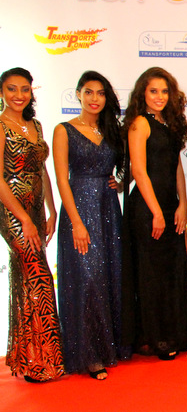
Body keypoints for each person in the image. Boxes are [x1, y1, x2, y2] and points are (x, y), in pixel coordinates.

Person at [53, 71, 128, 380]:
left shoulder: (113, 130)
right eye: (88, 92)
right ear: (78, 94)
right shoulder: (64, 130)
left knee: (109, 277)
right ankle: (90, 355)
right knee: (87, 280)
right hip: (80, 210)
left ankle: (110, 346)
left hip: (108, 210)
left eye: (100, 93)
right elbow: (61, 179)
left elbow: (124, 171)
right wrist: (76, 222)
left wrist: (119, 184)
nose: (94, 98)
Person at [121, 67, 187, 360]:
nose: (159, 96)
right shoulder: (140, 123)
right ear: (143, 93)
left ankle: (176, 333)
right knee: (151, 275)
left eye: (164, 91)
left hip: (169, 205)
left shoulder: (169, 124)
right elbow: (139, 171)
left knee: (172, 272)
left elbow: (177, 166)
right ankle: (156, 338)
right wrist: (156, 212)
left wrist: (182, 204)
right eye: (153, 91)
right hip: (147, 208)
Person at [0, 67, 64, 382]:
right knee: (38, 275)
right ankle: (40, 362)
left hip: (37, 209)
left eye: (25, 89)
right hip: (12, 211)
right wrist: (24, 219)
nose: (19, 95)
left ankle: (27, 357)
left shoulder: (35, 125)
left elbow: (41, 171)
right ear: (1, 92)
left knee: (26, 278)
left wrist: (52, 210)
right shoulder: (0, 125)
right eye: (12, 89)